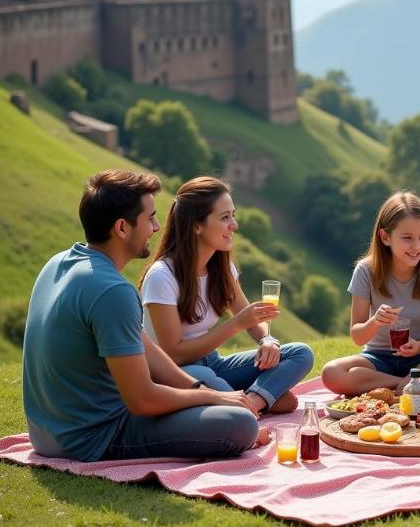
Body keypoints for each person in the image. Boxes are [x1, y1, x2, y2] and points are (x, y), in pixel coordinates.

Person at [22, 170, 263, 462]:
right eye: (150, 218)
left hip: (47, 435)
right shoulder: (112, 291)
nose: (157, 226)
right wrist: (211, 396)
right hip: (95, 437)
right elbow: (143, 400)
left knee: (224, 403)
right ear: (122, 228)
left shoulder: (59, 263)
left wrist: (198, 387)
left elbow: (146, 347)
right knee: (241, 425)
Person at [140, 176, 313, 415]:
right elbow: (173, 353)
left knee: (300, 353)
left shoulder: (221, 269)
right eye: (224, 218)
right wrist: (235, 325)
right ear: (196, 225)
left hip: (213, 363)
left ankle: (250, 403)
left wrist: (267, 341)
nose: (234, 225)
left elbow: (252, 321)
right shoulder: (162, 276)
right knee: (279, 401)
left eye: (233, 215)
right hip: (179, 373)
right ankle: (254, 401)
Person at [321, 192, 420, 396]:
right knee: (332, 373)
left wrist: (419, 346)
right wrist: (375, 321)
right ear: (385, 237)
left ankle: (397, 387)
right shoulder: (365, 271)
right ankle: (415, 386)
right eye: (407, 238)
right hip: (377, 359)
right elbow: (357, 335)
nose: (417, 247)